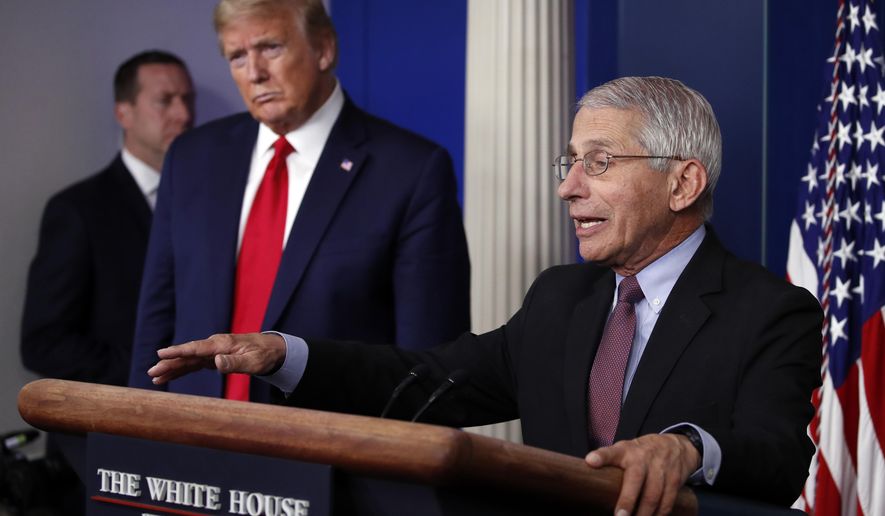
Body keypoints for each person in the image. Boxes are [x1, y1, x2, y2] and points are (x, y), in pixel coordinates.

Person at [147, 77, 823, 515]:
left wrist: (685, 449)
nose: (568, 188)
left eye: (598, 163)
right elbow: (427, 383)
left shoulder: (767, 311)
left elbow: (774, 456)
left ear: (681, 183)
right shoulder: (561, 297)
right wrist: (279, 353)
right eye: (569, 162)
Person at [128, 0, 470, 402]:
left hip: (330, 451)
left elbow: (427, 364)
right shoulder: (192, 158)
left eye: (270, 48)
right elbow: (156, 320)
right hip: (193, 442)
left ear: (324, 49)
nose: (254, 73)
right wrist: (137, 439)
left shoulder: (411, 171)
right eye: (237, 56)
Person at [19, 49, 194, 516]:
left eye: (187, 99)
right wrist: (151, 372)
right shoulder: (79, 210)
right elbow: (43, 343)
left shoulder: (211, 207)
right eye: (166, 100)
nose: (184, 113)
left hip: (195, 446)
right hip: (100, 452)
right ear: (124, 112)